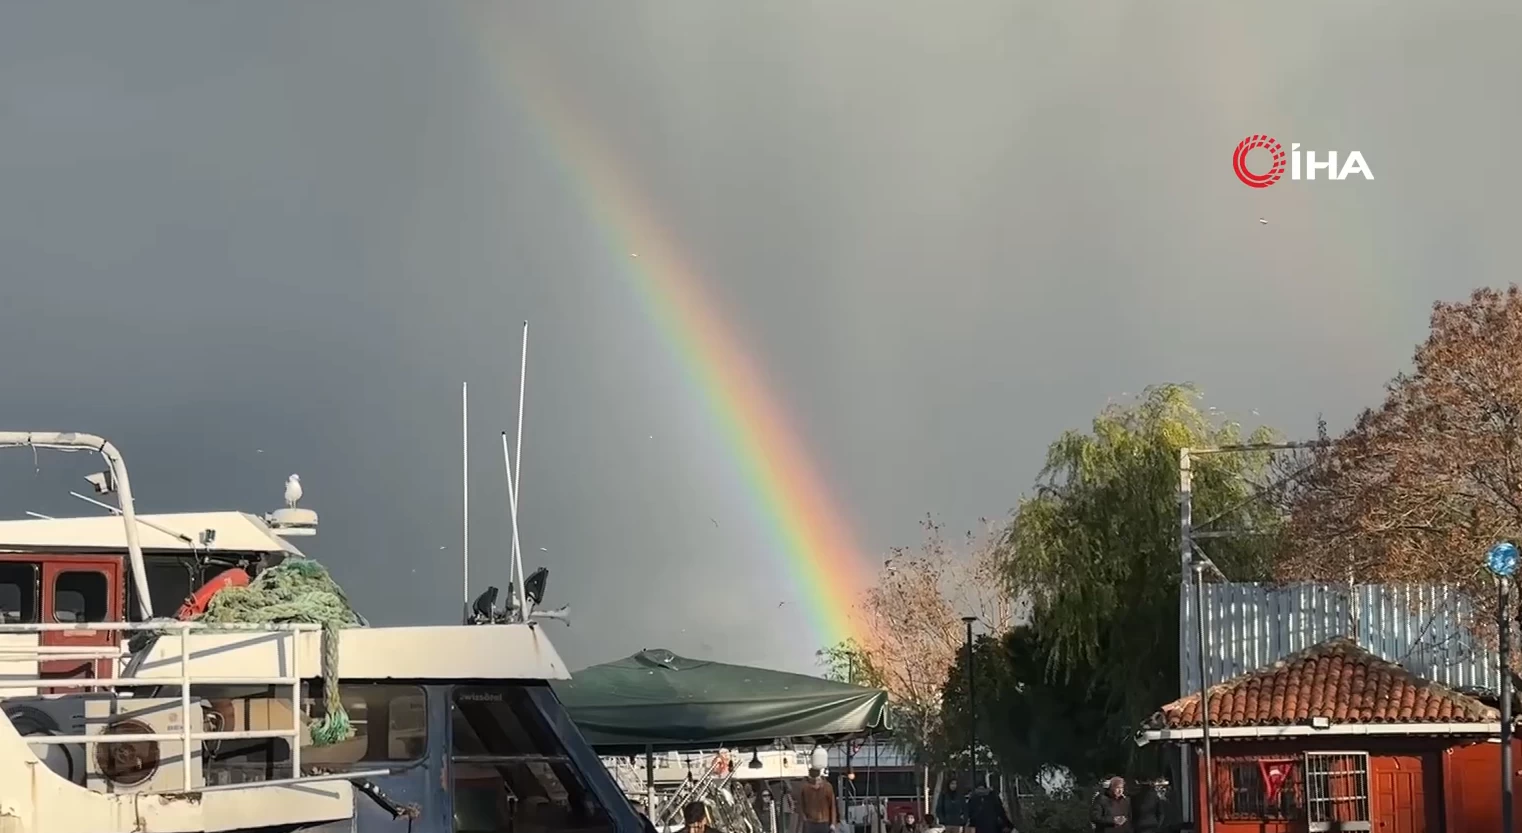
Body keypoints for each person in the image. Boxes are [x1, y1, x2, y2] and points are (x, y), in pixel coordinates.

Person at [796, 767, 839, 833]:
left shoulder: (826, 787)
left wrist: (833, 823)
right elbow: (801, 804)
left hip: (821, 822)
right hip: (813, 822)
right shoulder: (805, 788)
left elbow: (832, 806)